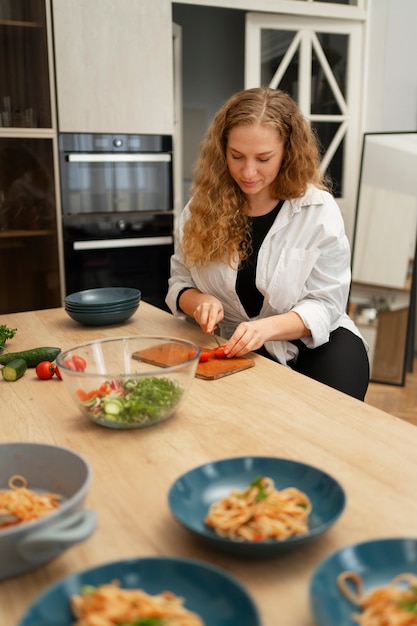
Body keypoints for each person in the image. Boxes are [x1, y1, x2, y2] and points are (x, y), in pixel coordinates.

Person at [166, 87, 369, 400]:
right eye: (236, 157)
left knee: (327, 428)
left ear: (287, 152)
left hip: (320, 342)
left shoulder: (318, 211)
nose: (248, 172)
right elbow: (180, 282)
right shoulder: (198, 210)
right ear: (222, 151)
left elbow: (327, 304)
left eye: (263, 159)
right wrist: (199, 302)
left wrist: (266, 329)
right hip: (235, 344)